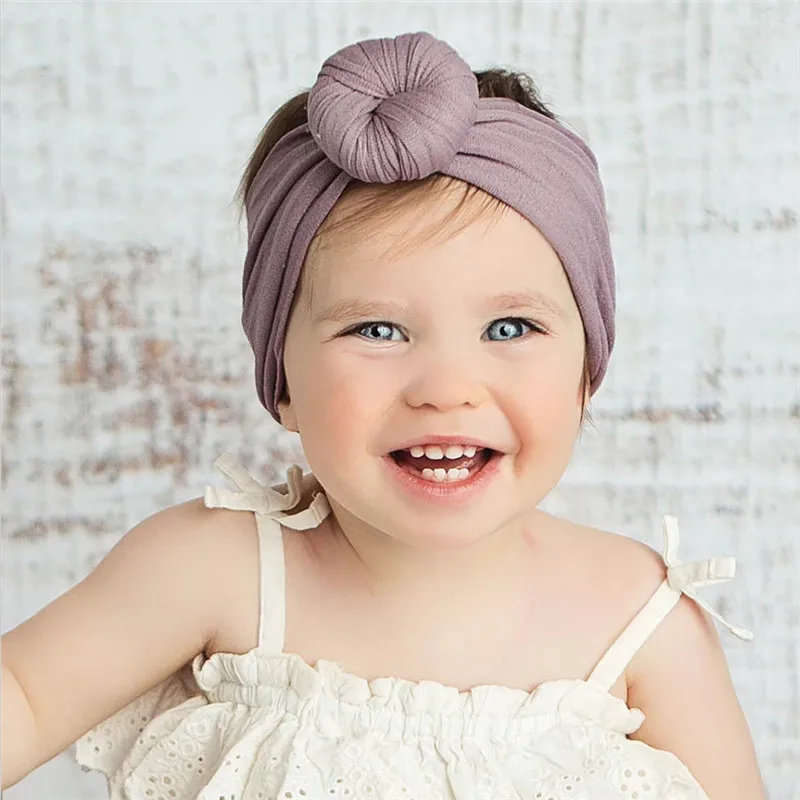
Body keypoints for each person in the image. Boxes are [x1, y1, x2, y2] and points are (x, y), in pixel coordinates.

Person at [1, 31, 765, 800]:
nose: (447, 389)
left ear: (585, 374)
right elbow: (24, 695)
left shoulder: (640, 621)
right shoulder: (217, 573)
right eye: (377, 330)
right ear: (283, 382)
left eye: (509, 328)